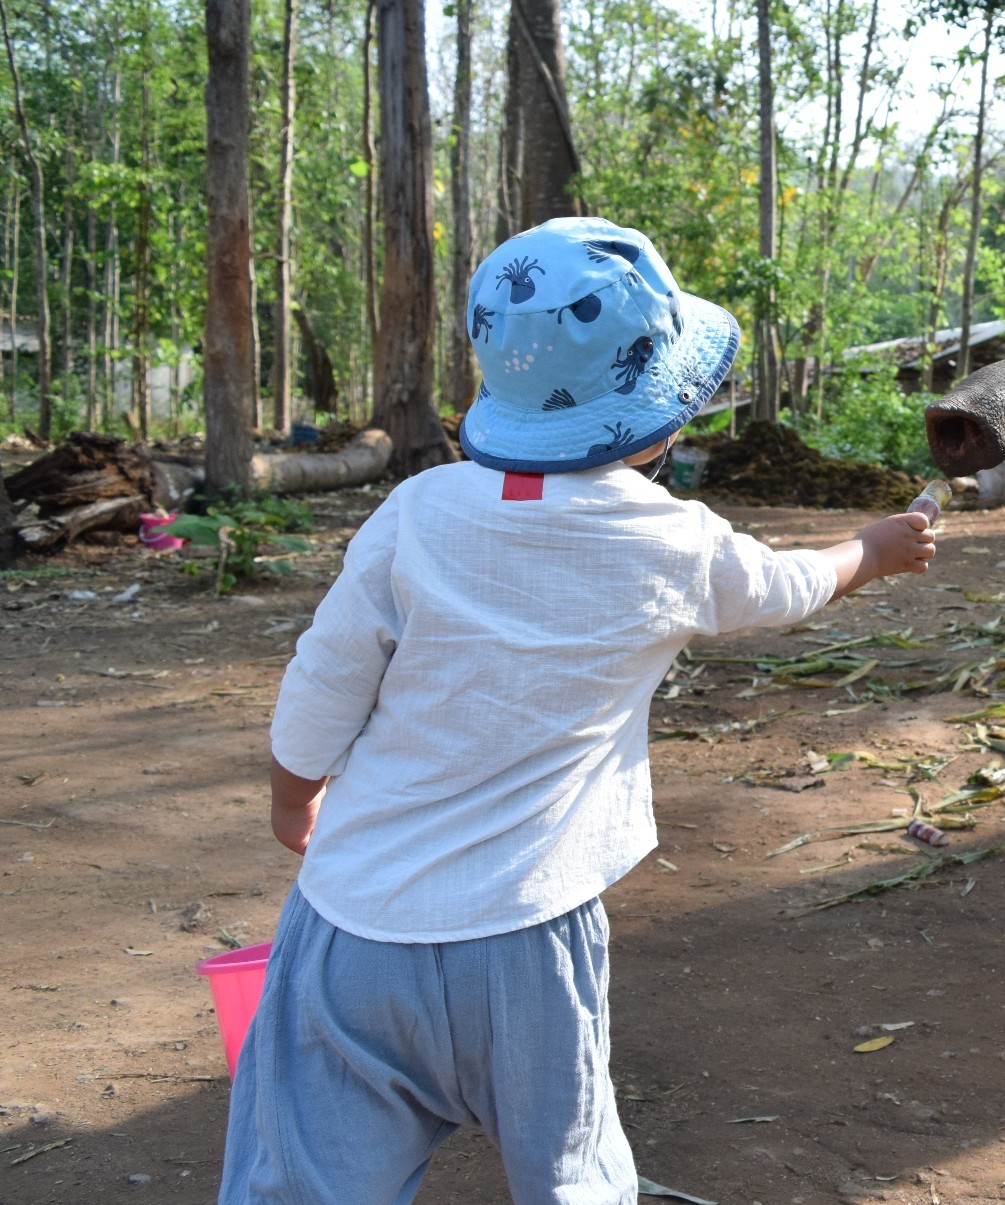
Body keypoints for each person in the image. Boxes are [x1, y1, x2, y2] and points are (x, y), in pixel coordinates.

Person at [220, 217, 937, 1203]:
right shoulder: (673, 543)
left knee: (309, 1179)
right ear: (661, 409)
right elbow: (786, 586)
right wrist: (873, 547)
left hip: (354, 931)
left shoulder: (417, 515)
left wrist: (292, 802)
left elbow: (323, 682)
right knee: (569, 1174)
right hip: (529, 945)